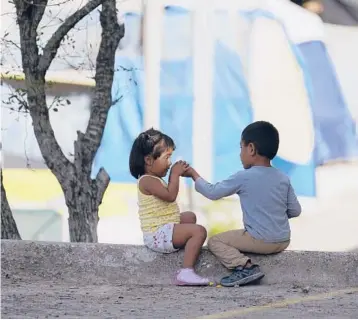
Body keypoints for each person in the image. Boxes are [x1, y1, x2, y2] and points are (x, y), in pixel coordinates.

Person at [184, 121, 302, 287]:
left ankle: (245, 267)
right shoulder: (283, 177)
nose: (240, 154)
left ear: (251, 149)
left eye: (241, 148)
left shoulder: (244, 177)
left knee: (215, 241)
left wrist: (193, 175)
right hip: (283, 239)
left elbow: (213, 192)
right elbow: (295, 211)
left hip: (261, 240)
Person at [129, 128, 210, 286]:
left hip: (164, 227)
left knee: (189, 217)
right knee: (199, 231)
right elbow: (170, 195)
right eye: (167, 157)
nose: (170, 163)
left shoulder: (154, 179)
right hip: (157, 234)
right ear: (149, 160)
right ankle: (186, 271)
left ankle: (186, 245)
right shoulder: (147, 181)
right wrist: (175, 175)